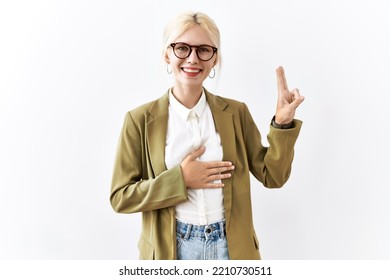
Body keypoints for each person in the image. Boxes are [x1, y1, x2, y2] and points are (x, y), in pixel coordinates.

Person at [110, 11, 304, 260]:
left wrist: (282, 124)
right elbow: (120, 197)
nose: (192, 58)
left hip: (230, 248)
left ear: (215, 59)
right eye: (182, 48)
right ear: (167, 55)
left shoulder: (236, 112)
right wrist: (180, 179)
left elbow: (273, 176)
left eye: (204, 50)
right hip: (173, 250)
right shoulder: (139, 120)